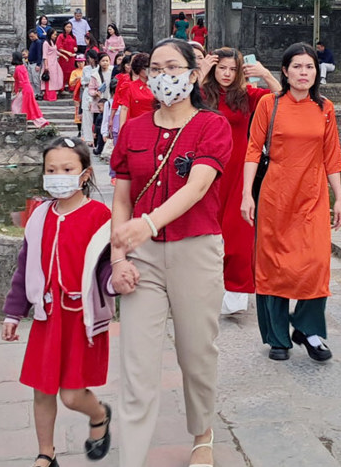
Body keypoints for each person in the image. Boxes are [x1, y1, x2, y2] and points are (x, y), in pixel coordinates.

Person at [108, 38, 232, 467]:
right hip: (141, 257)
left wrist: (148, 223)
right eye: (155, 69)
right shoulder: (133, 130)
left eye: (173, 67)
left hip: (195, 250)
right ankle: (133, 457)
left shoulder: (211, 126)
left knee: (196, 353)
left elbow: (199, 186)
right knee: (137, 363)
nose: (164, 76)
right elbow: (121, 198)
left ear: (194, 74)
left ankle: (203, 433)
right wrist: (119, 256)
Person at [3, 137, 114, 466]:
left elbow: (108, 262)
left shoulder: (99, 216)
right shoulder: (39, 217)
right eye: (51, 169)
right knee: (42, 388)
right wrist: (13, 313)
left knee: (71, 394)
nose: (58, 175)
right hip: (47, 316)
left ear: (84, 174)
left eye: (67, 168)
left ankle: (98, 415)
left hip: (81, 319)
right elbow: (26, 267)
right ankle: (45, 454)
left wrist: (114, 281)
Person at [242, 43, 341, 362]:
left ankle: (308, 329)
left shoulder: (325, 108)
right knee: (273, 265)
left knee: (316, 264)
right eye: (297, 67)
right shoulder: (270, 106)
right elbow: (253, 150)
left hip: (313, 195)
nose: (304, 73)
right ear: (284, 72)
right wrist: (247, 194)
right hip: (275, 193)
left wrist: (339, 197)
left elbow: (332, 155)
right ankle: (277, 337)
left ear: (317, 71)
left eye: (310, 67)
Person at [201, 47, 279, 314]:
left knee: (239, 230)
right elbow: (175, 103)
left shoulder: (245, 96)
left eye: (232, 69)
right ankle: (202, 288)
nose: (226, 73)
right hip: (204, 169)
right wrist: (200, 75)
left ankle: (236, 293)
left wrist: (266, 74)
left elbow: (282, 98)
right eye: (221, 67)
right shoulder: (201, 93)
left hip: (237, 170)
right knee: (202, 231)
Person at [12, 50, 49, 128]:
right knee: (29, 106)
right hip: (28, 88)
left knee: (16, 106)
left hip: (25, 90)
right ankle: (39, 121)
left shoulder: (18, 68)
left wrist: (18, 90)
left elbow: (21, 81)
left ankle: (19, 122)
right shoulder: (22, 67)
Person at [85, 53, 113, 156]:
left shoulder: (112, 71)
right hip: (99, 102)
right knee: (99, 124)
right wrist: (95, 93)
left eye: (107, 60)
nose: (105, 63)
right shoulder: (95, 74)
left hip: (110, 100)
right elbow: (90, 89)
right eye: (103, 61)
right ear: (99, 62)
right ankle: (98, 145)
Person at [57, 22, 79, 97]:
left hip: (72, 57)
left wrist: (75, 49)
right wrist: (67, 52)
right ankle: (61, 88)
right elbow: (59, 47)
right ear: (64, 27)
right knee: (63, 73)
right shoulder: (61, 36)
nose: (69, 28)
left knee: (72, 72)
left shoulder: (73, 37)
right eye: (67, 27)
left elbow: (75, 46)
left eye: (70, 27)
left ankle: (71, 88)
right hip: (64, 57)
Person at [42, 28, 64, 102]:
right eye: (54, 34)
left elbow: (55, 51)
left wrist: (64, 55)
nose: (55, 36)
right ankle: (49, 96)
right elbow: (45, 55)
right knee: (50, 80)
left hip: (54, 63)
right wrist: (46, 66)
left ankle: (52, 95)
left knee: (55, 79)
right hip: (49, 63)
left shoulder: (52, 42)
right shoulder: (46, 43)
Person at [69, 54, 87, 127]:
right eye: (78, 62)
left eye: (82, 62)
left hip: (85, 92)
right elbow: (71, 83)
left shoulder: (87, 70)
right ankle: (79, 128)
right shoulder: (74, 72)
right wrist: (77, 79)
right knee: (78, 110)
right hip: (78, 93)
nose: (80, 64)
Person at [27, 29, 44, 99]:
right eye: (30, 37)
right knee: (31, 80)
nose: (31, 38)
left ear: (36, 34)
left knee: (36, 80)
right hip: (30, 63)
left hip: (35, 63)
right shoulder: (33, 42)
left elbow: (39, 54)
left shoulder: (39, 42)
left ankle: (38, 93)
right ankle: (34, 93)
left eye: (32, 36)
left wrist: (38, 64)